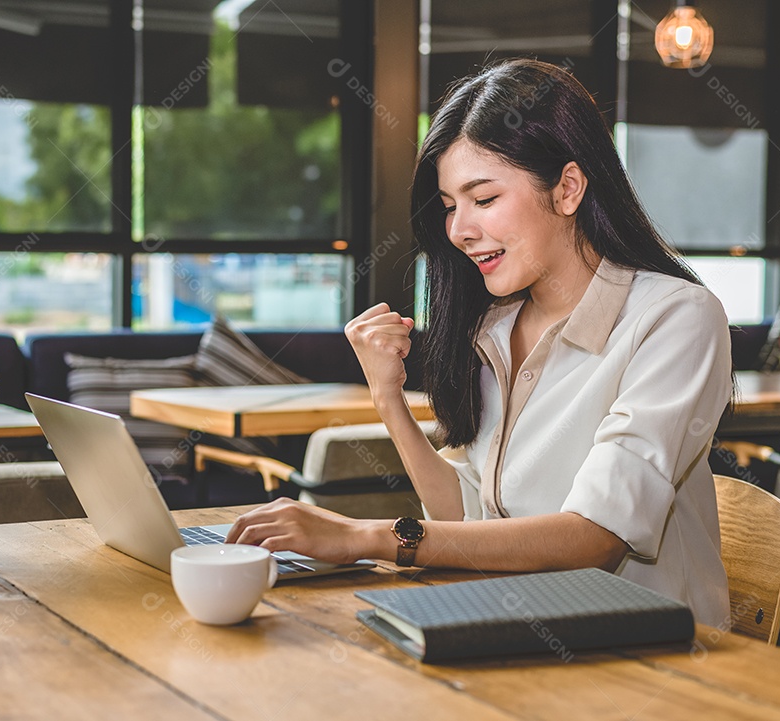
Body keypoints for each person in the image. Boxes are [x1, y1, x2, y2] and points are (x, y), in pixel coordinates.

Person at [226, 58, 732, 627]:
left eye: (483, 199)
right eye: (449, 207)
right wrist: (387, 398)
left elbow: (597, 538)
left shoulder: (676, 317)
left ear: (567, 188)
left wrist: (365, 536)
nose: (460, 229)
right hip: (515, 624)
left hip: (649, 659)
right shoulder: (495, 326)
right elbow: (467, 518)